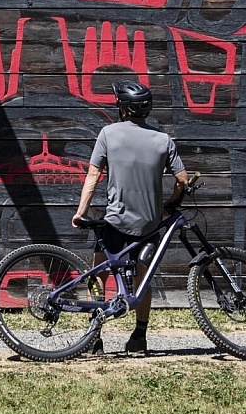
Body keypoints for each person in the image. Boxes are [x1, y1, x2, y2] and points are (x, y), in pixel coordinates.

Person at [72, 80, 190, 353]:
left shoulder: (108, 134)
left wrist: (81, 213)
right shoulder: (163, 140)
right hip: (149, 225)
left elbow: (93, 176)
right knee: (142, 278)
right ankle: (139, 336)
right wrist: (170, 207)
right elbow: (182, 180)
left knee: (99, 272)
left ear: (123, 109)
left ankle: (95, 337)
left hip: (115, 221)